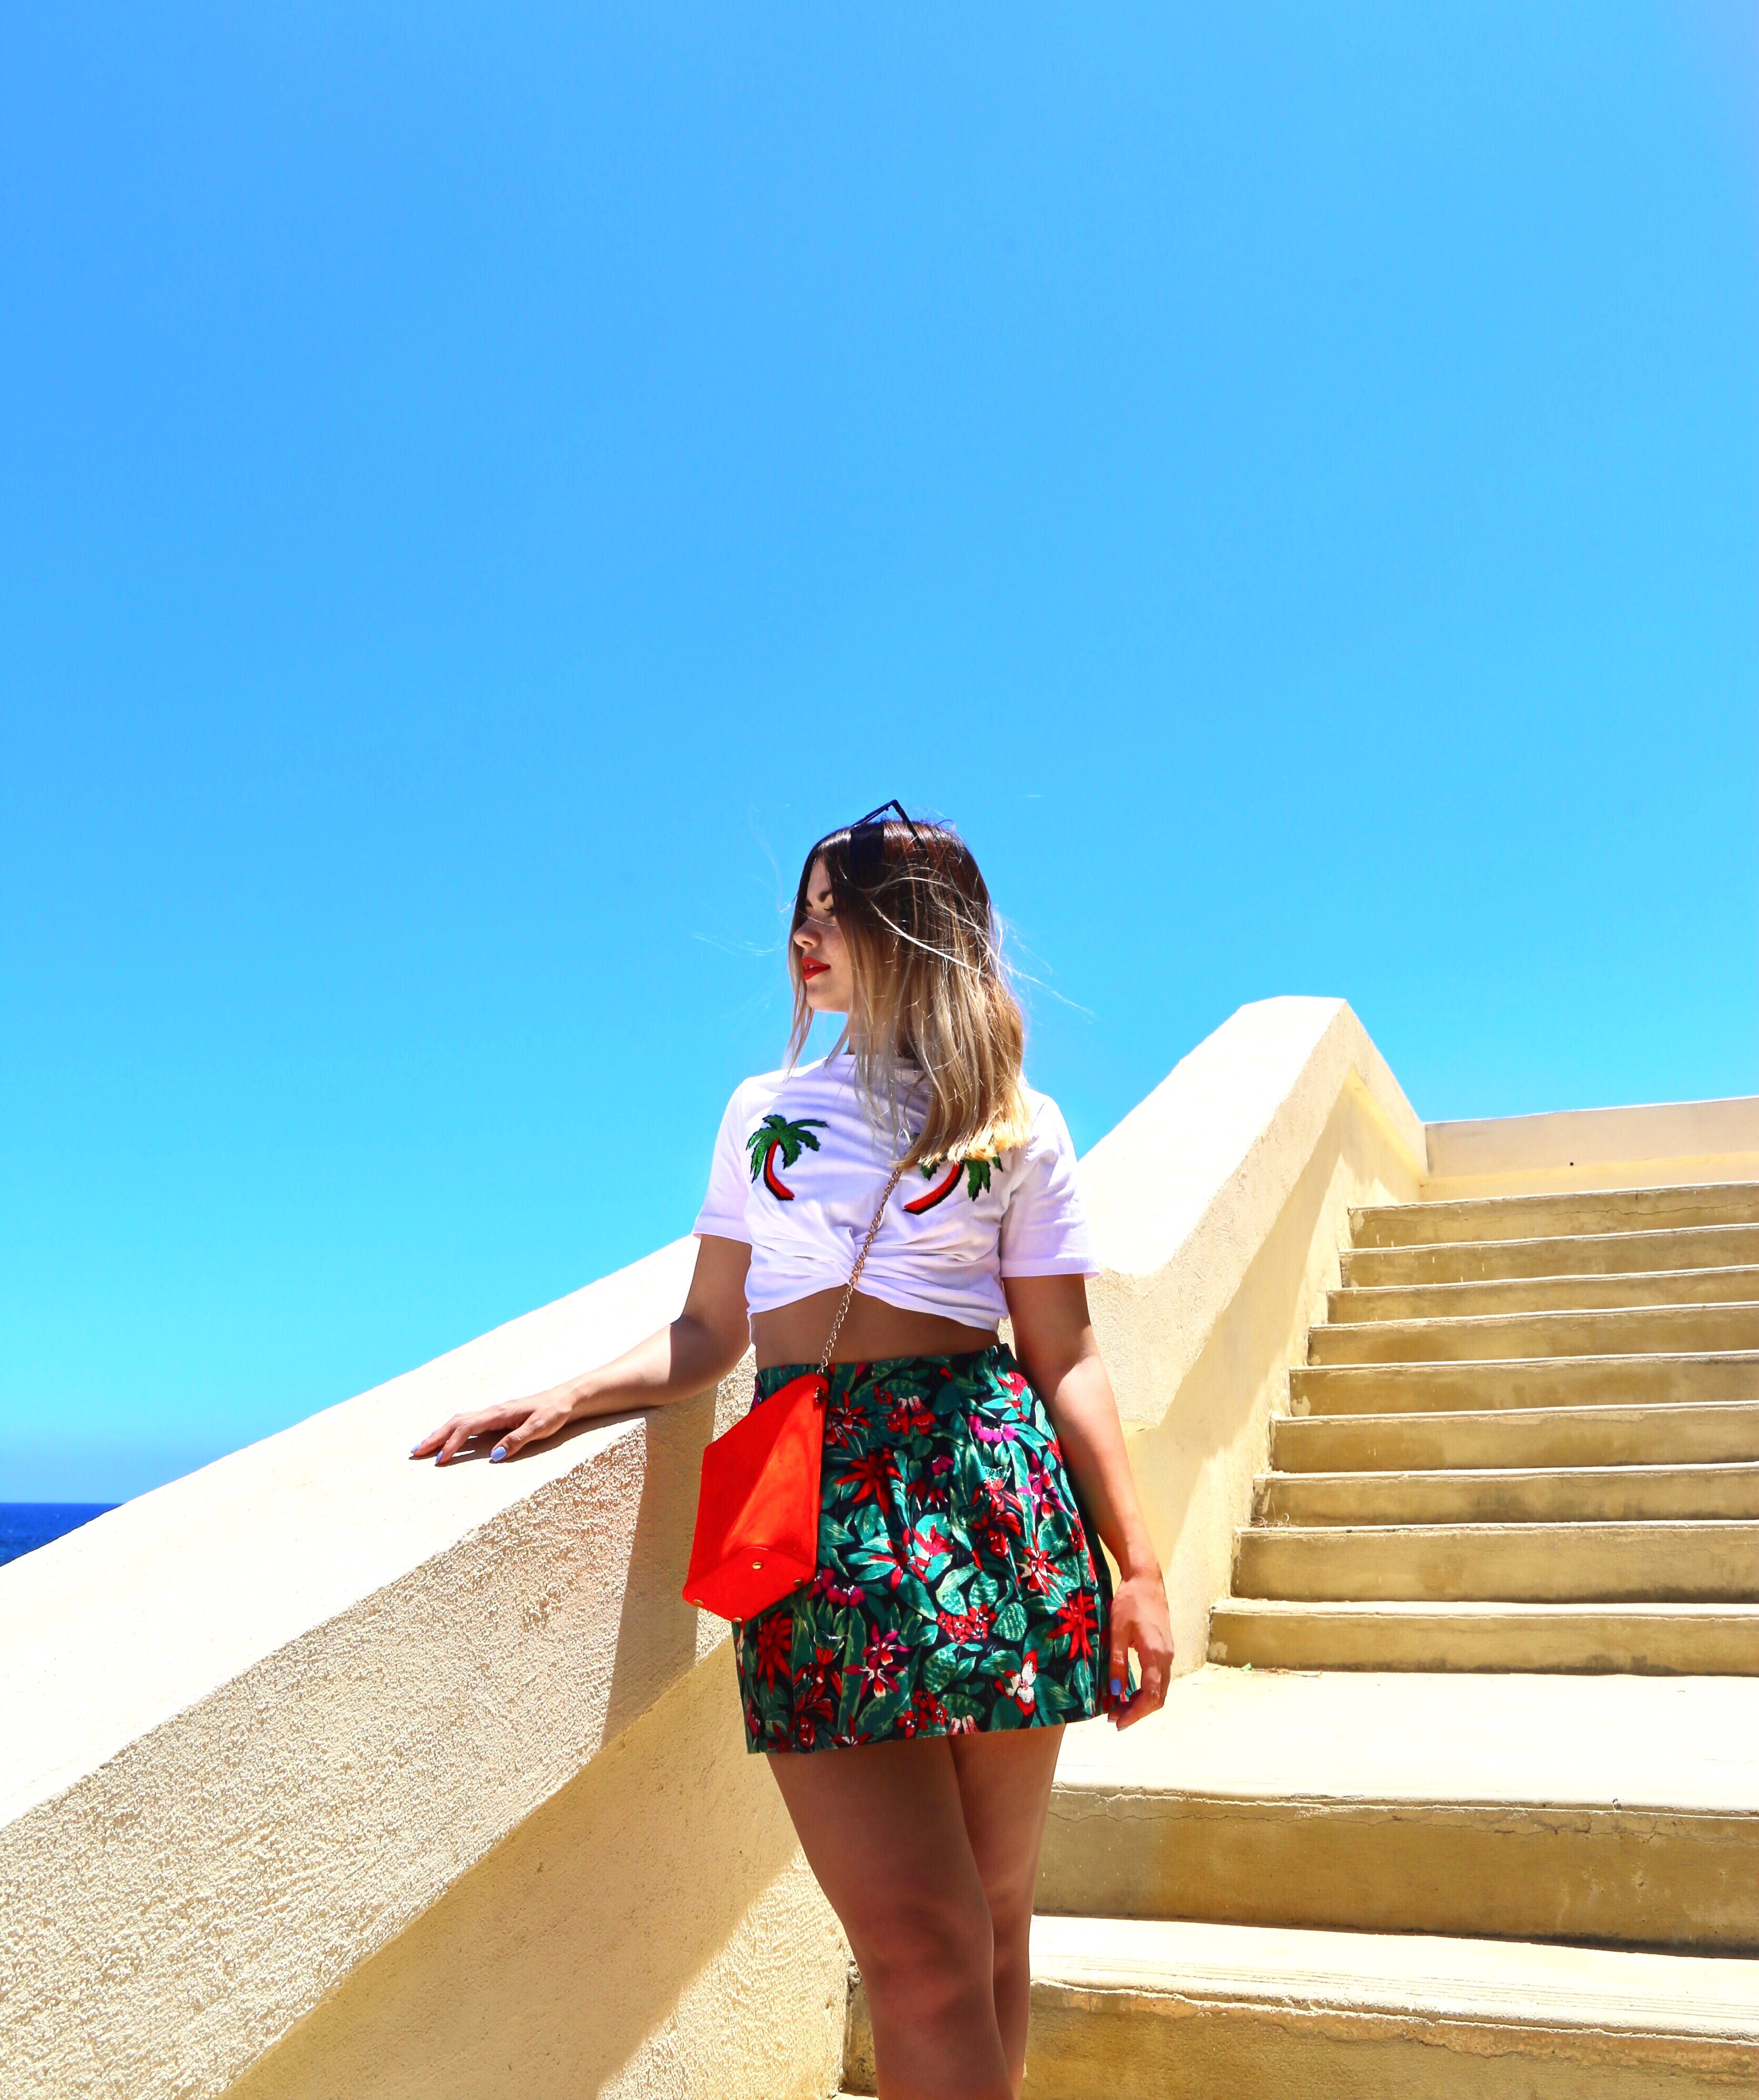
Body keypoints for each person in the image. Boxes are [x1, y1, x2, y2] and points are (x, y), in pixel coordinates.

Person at [411, 807, 1174, 2100]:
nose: (804, 935)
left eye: (836, 909)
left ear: (914, 931)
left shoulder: (1017, 1122)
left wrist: (1136, 1568)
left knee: (992, 1923)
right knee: (921, 1948)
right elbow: (711, 1330)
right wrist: (572, 1392)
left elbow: (1067, 1356)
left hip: (992, 1508)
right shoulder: (764, 1112)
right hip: (815, 1518)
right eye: (802, 910)